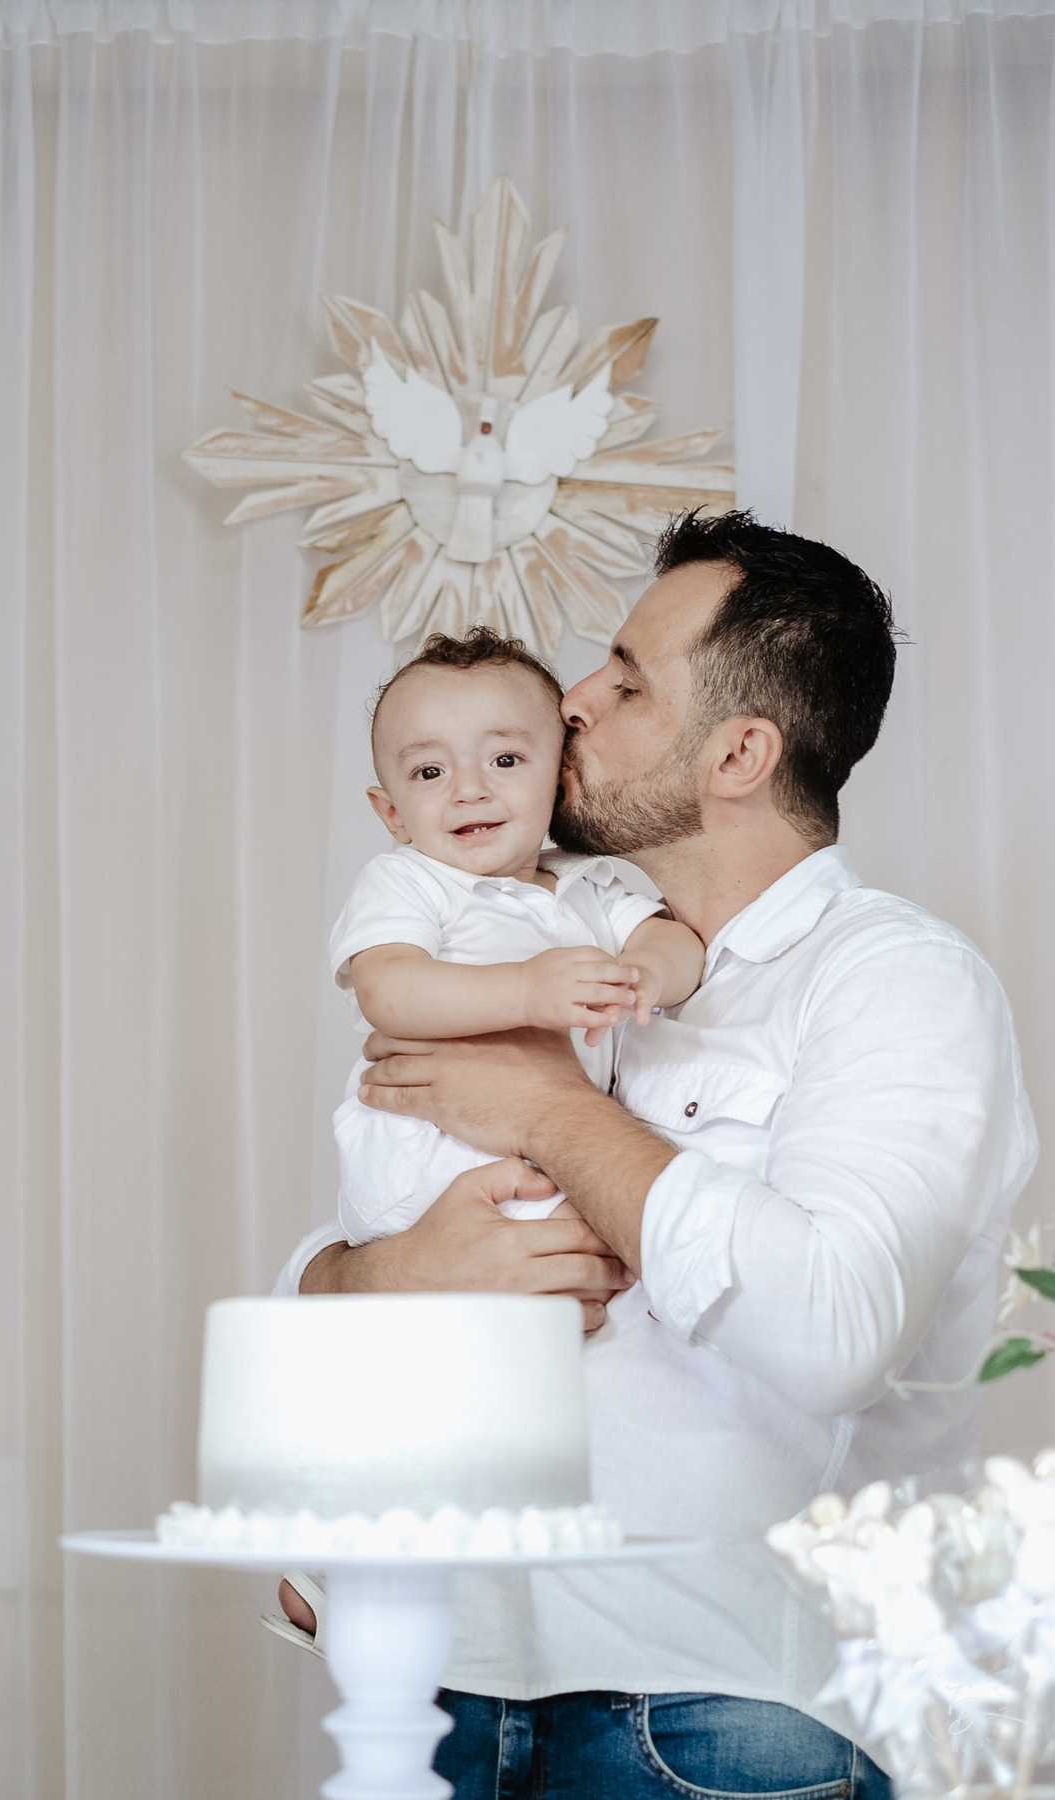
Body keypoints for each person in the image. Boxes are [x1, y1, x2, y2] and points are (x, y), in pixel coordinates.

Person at [274, 510, 1038, 1800]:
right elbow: (367, 1241)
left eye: (626, 680)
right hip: (446, 1692)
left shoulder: (896, 985)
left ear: (739, 751)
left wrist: (556, 1120)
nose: (573, 700)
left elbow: (836, 1328)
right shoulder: (527, 933)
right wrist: (379, 1276)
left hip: (718, 1713)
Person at [330, 625, 704, 1244]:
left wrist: (643, 974)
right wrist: (526, 991)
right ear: (392, 813)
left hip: (548, 1159)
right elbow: (388, 991)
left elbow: (678, 942)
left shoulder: (591, 883)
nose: (469, 789)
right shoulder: (409, 881)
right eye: (429, 771)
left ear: (557, 782)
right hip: (424, 1159)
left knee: (603, 1254)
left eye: (505, 761)